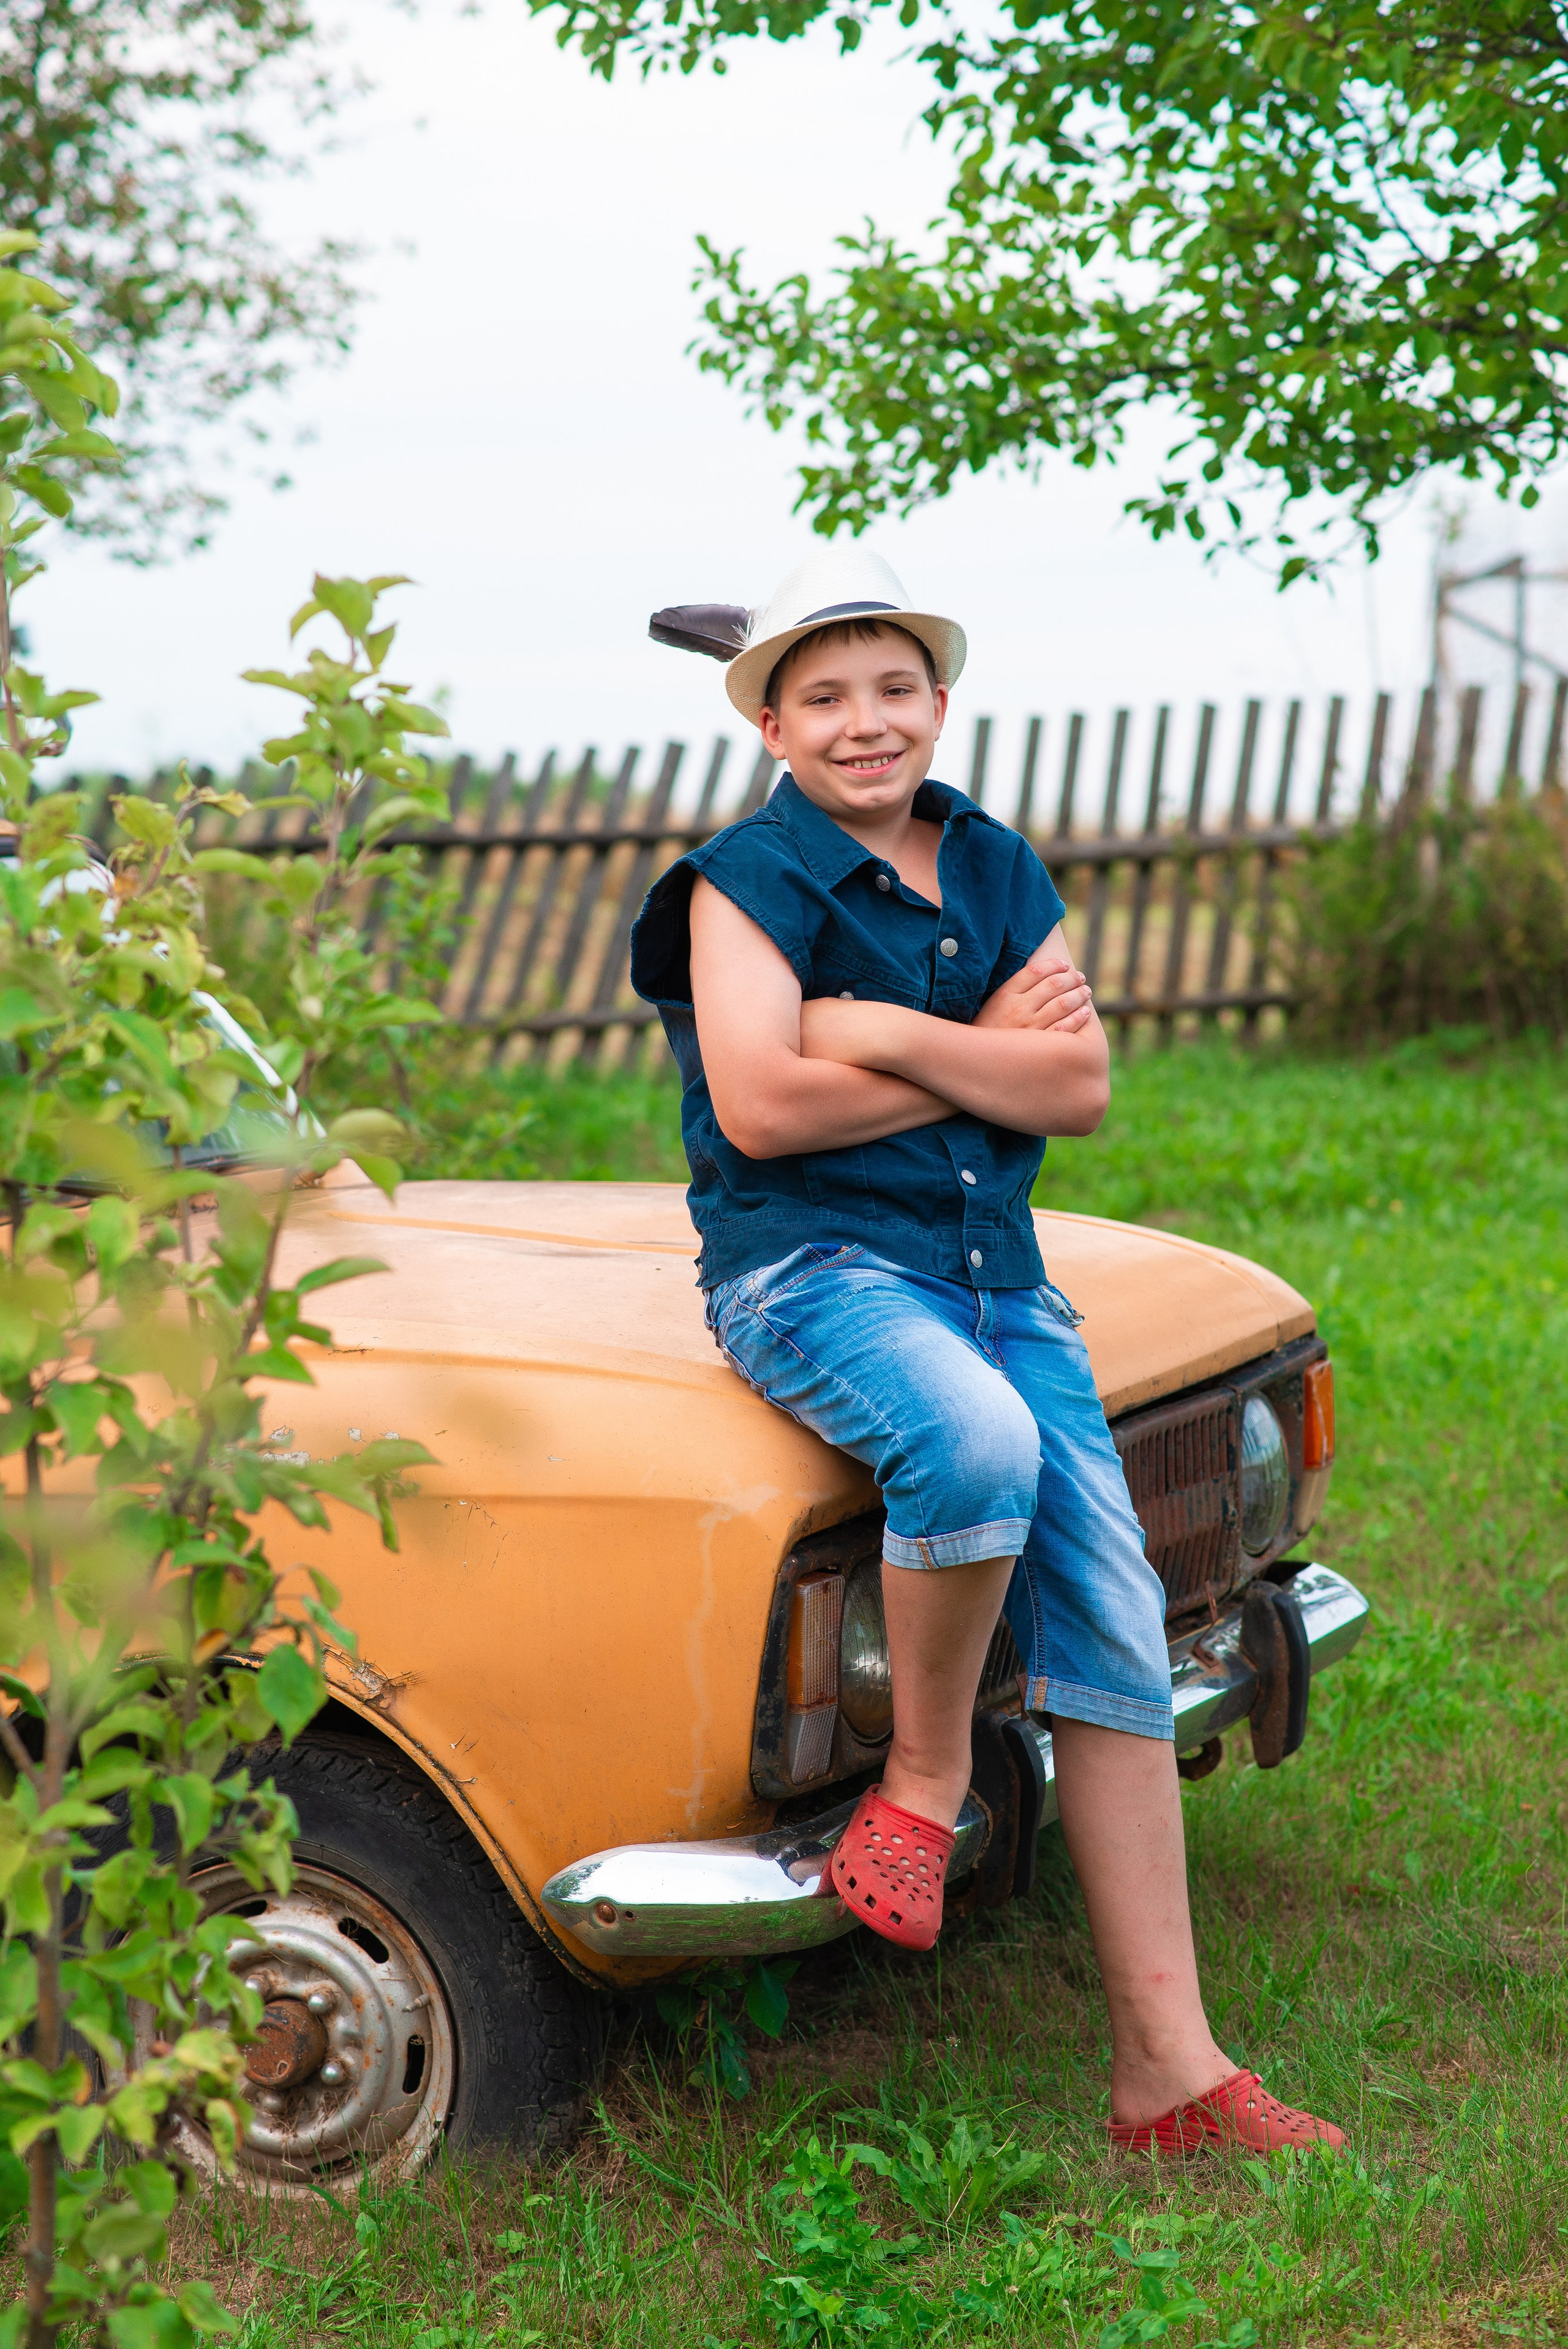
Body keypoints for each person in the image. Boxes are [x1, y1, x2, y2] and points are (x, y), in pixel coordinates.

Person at [631, 548, 1343, 2157]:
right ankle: (929, 1778)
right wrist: (985, 1064)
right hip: (812, 1270)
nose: (866, 723)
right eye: (825, 696)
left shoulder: (995, 860)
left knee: (1113, 1619)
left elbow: (1079, 1089)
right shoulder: (745, 885)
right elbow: (760, 1105)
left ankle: (1169, 2072)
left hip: (993, 1276)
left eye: (895, 689)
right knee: (974, 1448)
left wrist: (875, 1032)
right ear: (772, 726)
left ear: (939, 702)